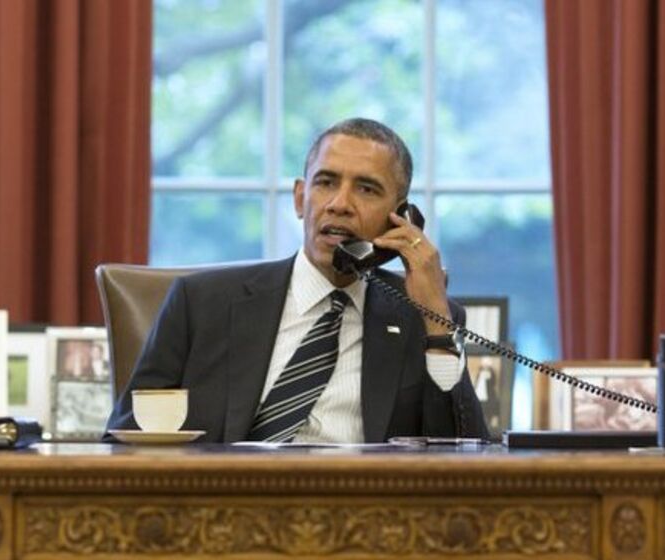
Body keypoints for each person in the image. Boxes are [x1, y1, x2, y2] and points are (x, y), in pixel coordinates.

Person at [107, 118, 486, 442]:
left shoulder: (418, 317)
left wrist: (436, 320)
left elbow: (462, 456)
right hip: (221, 514)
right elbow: (123, 440)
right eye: (325, 182)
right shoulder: (202, 303)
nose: (339, 203)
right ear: (300, 198)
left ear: (400, 216)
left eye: (366, 189)